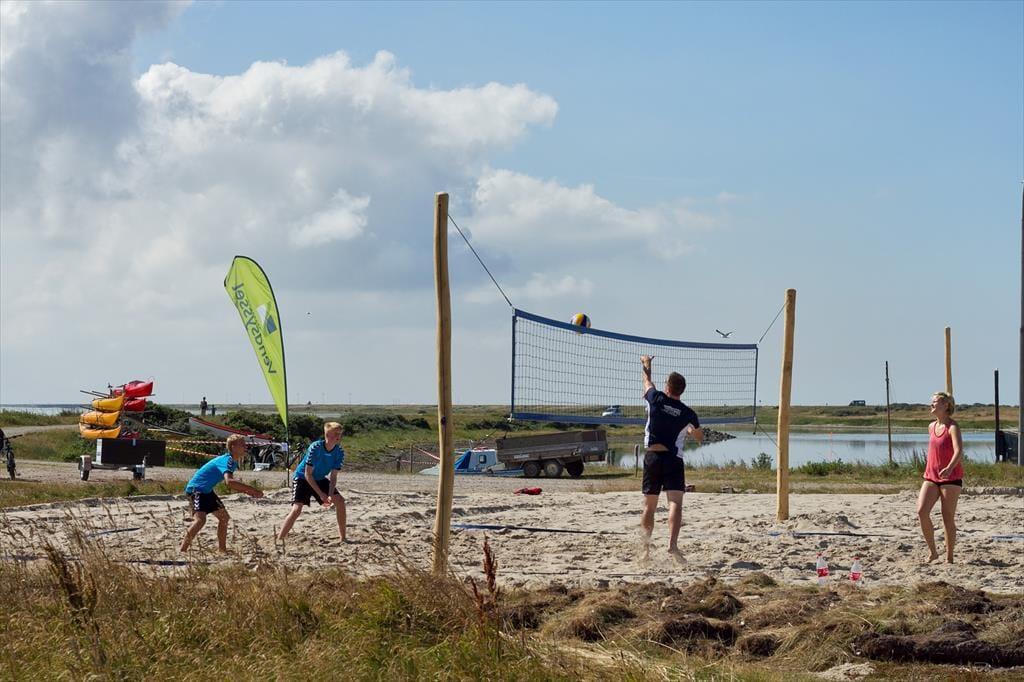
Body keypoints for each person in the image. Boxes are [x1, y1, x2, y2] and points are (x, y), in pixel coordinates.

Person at [639, 355, 703, 560]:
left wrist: (647, 364)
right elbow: (700, 437)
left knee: (649, 506)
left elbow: (646, 381)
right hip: (673, 459)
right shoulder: (688, 413)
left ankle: (645, 550)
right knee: (675, 503)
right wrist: (690, 431)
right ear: (681, 390)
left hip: (653, 457)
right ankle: (672, 546)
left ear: (667, 387)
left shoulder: (656, 398)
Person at [180, 434, 264, 552]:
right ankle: (183, 550)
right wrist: (252, 489)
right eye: (242, 444)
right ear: (233, 447)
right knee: (200, 520)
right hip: (196, 489)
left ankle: (222, 550)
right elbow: (229, 482)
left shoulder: (233, 462)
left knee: (224, 518)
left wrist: (247, 491)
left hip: (207, 491)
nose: (246, 446)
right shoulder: (227, 460)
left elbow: (231, 483)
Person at [277, 422, 347, 543]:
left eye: (340, 434)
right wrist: (321, 495)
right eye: (336, 434)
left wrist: (330, 494)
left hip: (320, 478)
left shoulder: (339, 451)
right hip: (302, 478)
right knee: (297, 509)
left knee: (340, 501)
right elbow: (307, 474)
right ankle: (280, 538)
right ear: (328, 435)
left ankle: (343, 538)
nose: (338, 436)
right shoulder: (316, 447)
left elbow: (333, 476)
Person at [916, 391, 964, 563]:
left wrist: (949, 467)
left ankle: (949, 557)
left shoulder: (953, 427)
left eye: (935, 402)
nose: (932, 404)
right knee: (922, 512)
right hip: (931, 476)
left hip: (951, 478)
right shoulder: (931, 426)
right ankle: (933, 552)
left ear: (946, 405)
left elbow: (959, 450)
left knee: (947, 517)